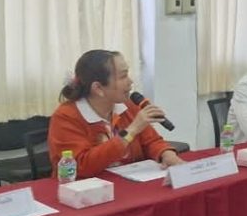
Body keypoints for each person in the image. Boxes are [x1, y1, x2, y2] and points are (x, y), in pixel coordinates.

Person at [48, 49, 183, 178]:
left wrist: (167, 154)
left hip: (129, 185)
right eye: (123, 76)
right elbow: (82, 166)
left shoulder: (128, 106)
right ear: (98, 88)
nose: (130, 82)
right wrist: (131, 130)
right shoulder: (66, 116)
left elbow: (151, 141)